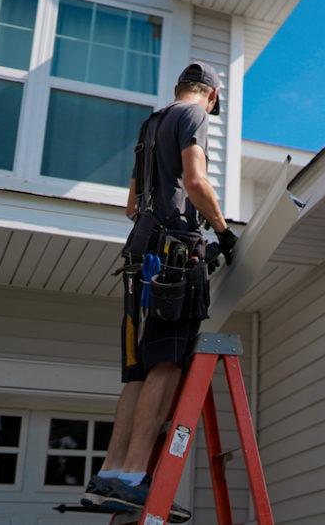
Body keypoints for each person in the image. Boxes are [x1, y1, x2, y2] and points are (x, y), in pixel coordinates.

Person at [81, 62, 237, 520]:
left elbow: (132, 204)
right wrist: (223, 234)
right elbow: (195, 181)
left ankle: (110, 474)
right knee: (166, 363)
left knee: (139, 368)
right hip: (172, 252)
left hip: (139, 252)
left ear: (178, 89)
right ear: (210, 96)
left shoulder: (151, 124)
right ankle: (132, 478)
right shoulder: (193, 117)